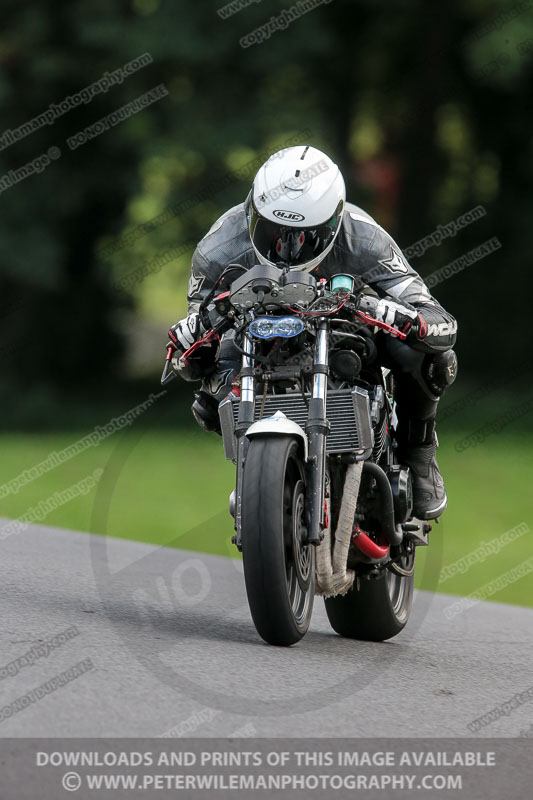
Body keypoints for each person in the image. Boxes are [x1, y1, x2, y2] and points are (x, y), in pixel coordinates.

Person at [167, 145, 457, 520]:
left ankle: (419, 454)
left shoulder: (366, 240)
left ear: (334, 225)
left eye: (303, 237)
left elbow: (438, 320)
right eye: (273, 232)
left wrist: (394, 314)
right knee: (207, 395)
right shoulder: (218, 248)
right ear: (252, 211)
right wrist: (190, 342)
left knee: (430, 357)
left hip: (345, 331)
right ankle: (258, 469)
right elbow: (193, 342)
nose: (286, 249)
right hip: (252, 341)